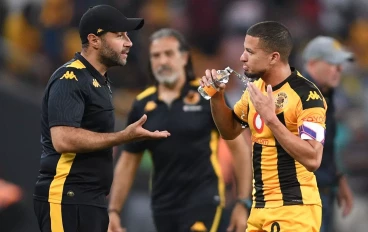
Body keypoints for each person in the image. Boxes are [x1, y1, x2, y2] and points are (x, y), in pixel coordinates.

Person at [33, 5, 170, 232]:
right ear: (94, 40)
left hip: (89, 200)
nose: (129, 42)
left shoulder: (99, 81)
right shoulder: (71, 77)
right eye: (119, 36)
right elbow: (63, 139)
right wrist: (122, 137)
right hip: (67, 197)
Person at [108, 28, 253, 232]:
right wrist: (114, 211)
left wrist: (242, 202)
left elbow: (240, 150)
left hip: (204, 199)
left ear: (184, 57)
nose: (162, 61)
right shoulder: (143, 105)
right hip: (163, 204)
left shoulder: (207, 97)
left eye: (169, 54)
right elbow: (128, 162)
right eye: (156, 56)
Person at [201, 21, 327, 232]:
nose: (242, 57)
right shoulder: (256, 90)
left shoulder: (307, 96)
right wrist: (217, 97)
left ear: (273, 57)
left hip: (293, 210)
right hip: (260, 208)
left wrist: (272, 120)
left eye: (250, 52)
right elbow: (229, 130)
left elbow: (313, 158)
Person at [302, 36, 354, 232]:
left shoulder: (325, 94)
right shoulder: (303, 96)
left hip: (324, 191)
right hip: (305, 199)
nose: (339, 69)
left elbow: (325, 148)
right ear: (313, 63)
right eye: (333, 63)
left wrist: (337, 178)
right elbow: (305, 152)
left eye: (340, 64)